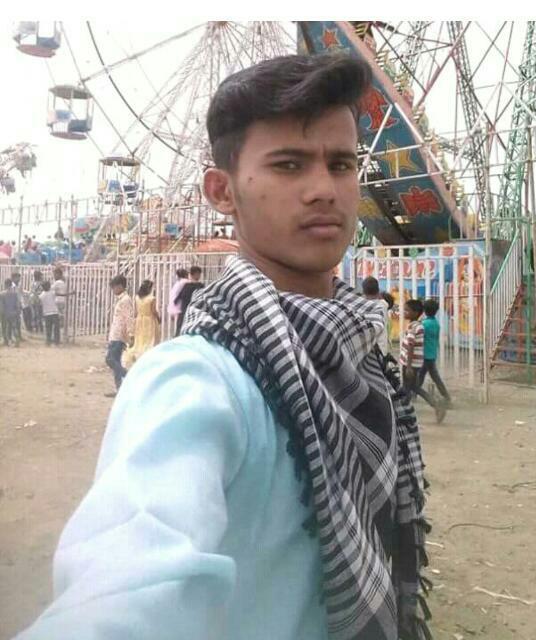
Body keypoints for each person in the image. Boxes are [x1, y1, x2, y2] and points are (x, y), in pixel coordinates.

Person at [16, 53, 431, 640]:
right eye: (289, 165)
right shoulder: (194, 379)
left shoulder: (362, 356)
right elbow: (129, 582)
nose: (324, 190)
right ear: (221, 190)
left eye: (341, 164)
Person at [399, 298, 446, 424]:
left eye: (407, 310)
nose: (404, 312)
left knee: (410, 388)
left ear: (415, 313)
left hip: (410, 363)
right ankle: (405, 410)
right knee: (411, 387)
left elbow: (410, 345)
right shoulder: (417, 325)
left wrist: (409, 366)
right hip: (413, 362)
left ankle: (435, 405)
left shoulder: (415, 327)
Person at [104, 274, 134, 398]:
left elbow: (129, 318)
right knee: (115, 360)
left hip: (119, 335)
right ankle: (119, 388)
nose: (113, 290)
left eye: (114, 287)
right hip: (115, 333)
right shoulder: (122, 299)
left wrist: (131, 334)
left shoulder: (126, 300)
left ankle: (129, 376)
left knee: (110, 359)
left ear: (120, 286)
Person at [420, 298, 451, 408]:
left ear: (424, 310)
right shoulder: (436, 324)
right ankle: (446, 397)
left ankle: (446, 397)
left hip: (424, 354)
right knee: (426, 376)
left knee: (424, 377)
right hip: (432, 354)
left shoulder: (424, 324)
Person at [125, 279, 161, 367]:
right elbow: (153, 311)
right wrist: (158, 318)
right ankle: (147, 354)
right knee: (150, 338)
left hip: (140, 319)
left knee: (140, 337)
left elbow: (136, 310)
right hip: (149, 319)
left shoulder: (137, 297)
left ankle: (137, 352)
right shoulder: (151, 299)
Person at [362, 275, 389, 355]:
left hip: (366, 349)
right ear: (378, 291)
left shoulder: (362, 306)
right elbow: (384, 300)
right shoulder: (383, 305)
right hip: (381, 348)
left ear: (363, 292)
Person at [173, 265, 204, 336]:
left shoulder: (186, 285)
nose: (199, 276)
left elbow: (176, 300)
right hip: (195, 312)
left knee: (180, 332)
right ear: (196, 274)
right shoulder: (200, 286)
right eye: (199, 274)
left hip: (184, 312)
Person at [40, 281, 60, 346]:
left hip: (47, 314)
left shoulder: (41, 295)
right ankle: (56, 341)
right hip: (54, 313)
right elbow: (61, 294)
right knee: (56, 328)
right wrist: (70, 293)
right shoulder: (52, 293)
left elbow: (40, 304)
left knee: (48, 328)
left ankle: (48, 341)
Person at [1, 278, 20, 346]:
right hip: (13, 312)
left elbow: (1, 305)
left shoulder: (2, 294)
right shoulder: (14, 293)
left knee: (4, 327)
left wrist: (1, 313)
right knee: (14, 327)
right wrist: (17, 311)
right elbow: (17, 304)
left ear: (5, 284)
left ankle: (6, 340)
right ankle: (16, 340)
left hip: (5, 313)